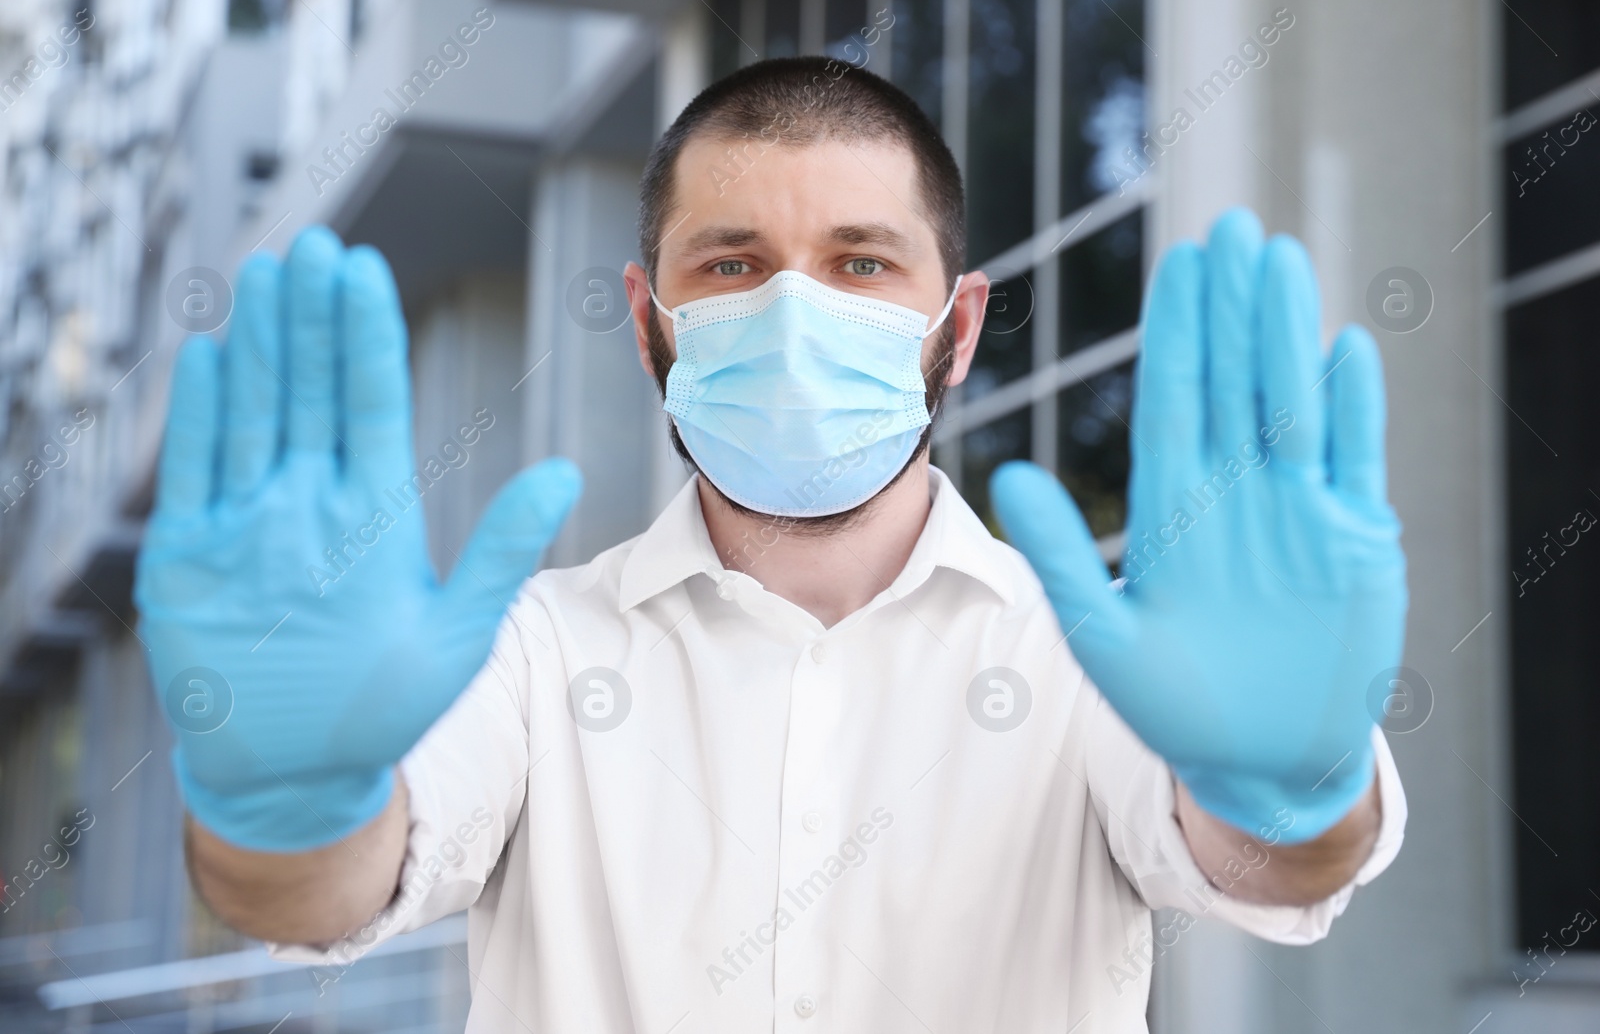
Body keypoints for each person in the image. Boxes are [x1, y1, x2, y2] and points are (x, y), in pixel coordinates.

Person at [136, 58, 1408, 1032]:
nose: (794, 311)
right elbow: (315, 898)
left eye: (861, 264)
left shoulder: (1104, 658)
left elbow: (1272, 869)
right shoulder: (527, 655)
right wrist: (282, 810)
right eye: (732, 262)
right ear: (649, 324)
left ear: (956, 331)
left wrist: (1287, 785)